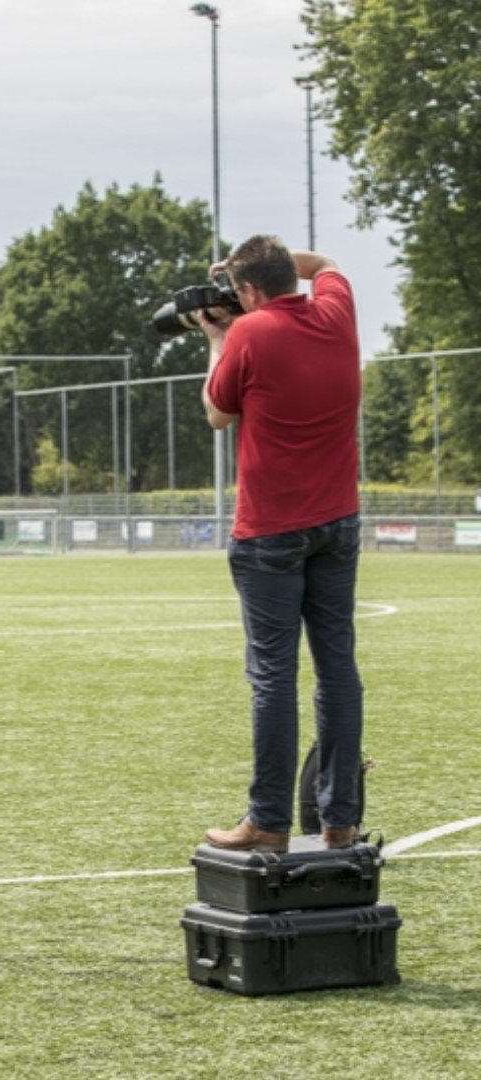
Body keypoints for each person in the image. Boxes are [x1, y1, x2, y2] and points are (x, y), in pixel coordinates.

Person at [196, 236, 364, 854]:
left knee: (273, 676)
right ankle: (338, 820)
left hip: (270, 529)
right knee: (337, 669)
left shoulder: (249, 332)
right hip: (338, 522)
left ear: (245, 293)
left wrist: (216, 335)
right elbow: (325, 266)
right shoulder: (335, 308)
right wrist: (256, 271)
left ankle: (267, 822)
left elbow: (217, 413)